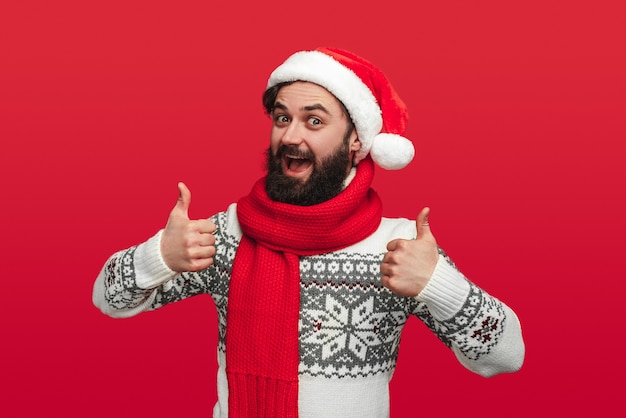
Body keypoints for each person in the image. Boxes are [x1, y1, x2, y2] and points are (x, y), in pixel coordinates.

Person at [93, 47, 525, 418]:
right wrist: (159, 257)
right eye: (282, 118)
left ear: (356, 139)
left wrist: (438, 285)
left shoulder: (400, 246)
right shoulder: (229, 233)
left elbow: (506, 356)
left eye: (314, 122)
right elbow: (108, 300)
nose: (290, 136)